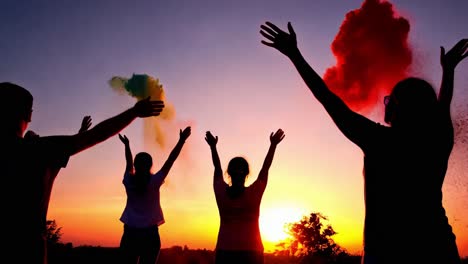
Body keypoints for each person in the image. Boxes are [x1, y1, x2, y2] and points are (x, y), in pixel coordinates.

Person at [260, 22, 467, 263]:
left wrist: (295, 55)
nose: (386, 104)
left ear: (397, 108)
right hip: (437, 247)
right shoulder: (438, 140)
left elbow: (327, 99)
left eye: (391, 100)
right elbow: (442, 109)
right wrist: (448, 71)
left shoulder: (379, 140)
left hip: (386, 252)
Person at [0, 81, 164, 264]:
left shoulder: (35, 149)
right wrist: (133, 112)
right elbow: (97, 135)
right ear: (28, 115)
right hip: (28, 254)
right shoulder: (38, 150)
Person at [205, 129, 285, 264]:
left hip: (232, 252)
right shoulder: (253, 192)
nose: (238, 174)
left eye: (239, 171)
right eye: (237, 171)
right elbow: (265, 169)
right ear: (247, 174)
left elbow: (217, 169)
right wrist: (273, 145)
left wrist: (213, 147)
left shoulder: (221, 191)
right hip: (248, 253)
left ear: (229, 173)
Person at [118, 126, 191, 264]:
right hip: (150, 234)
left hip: (130, 234)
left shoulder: (129, 180)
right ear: (151, 165)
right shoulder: (154, 181)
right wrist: (181, 140)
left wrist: (127, 146)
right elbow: (171, 160)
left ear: (135, 165)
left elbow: (128, 164)